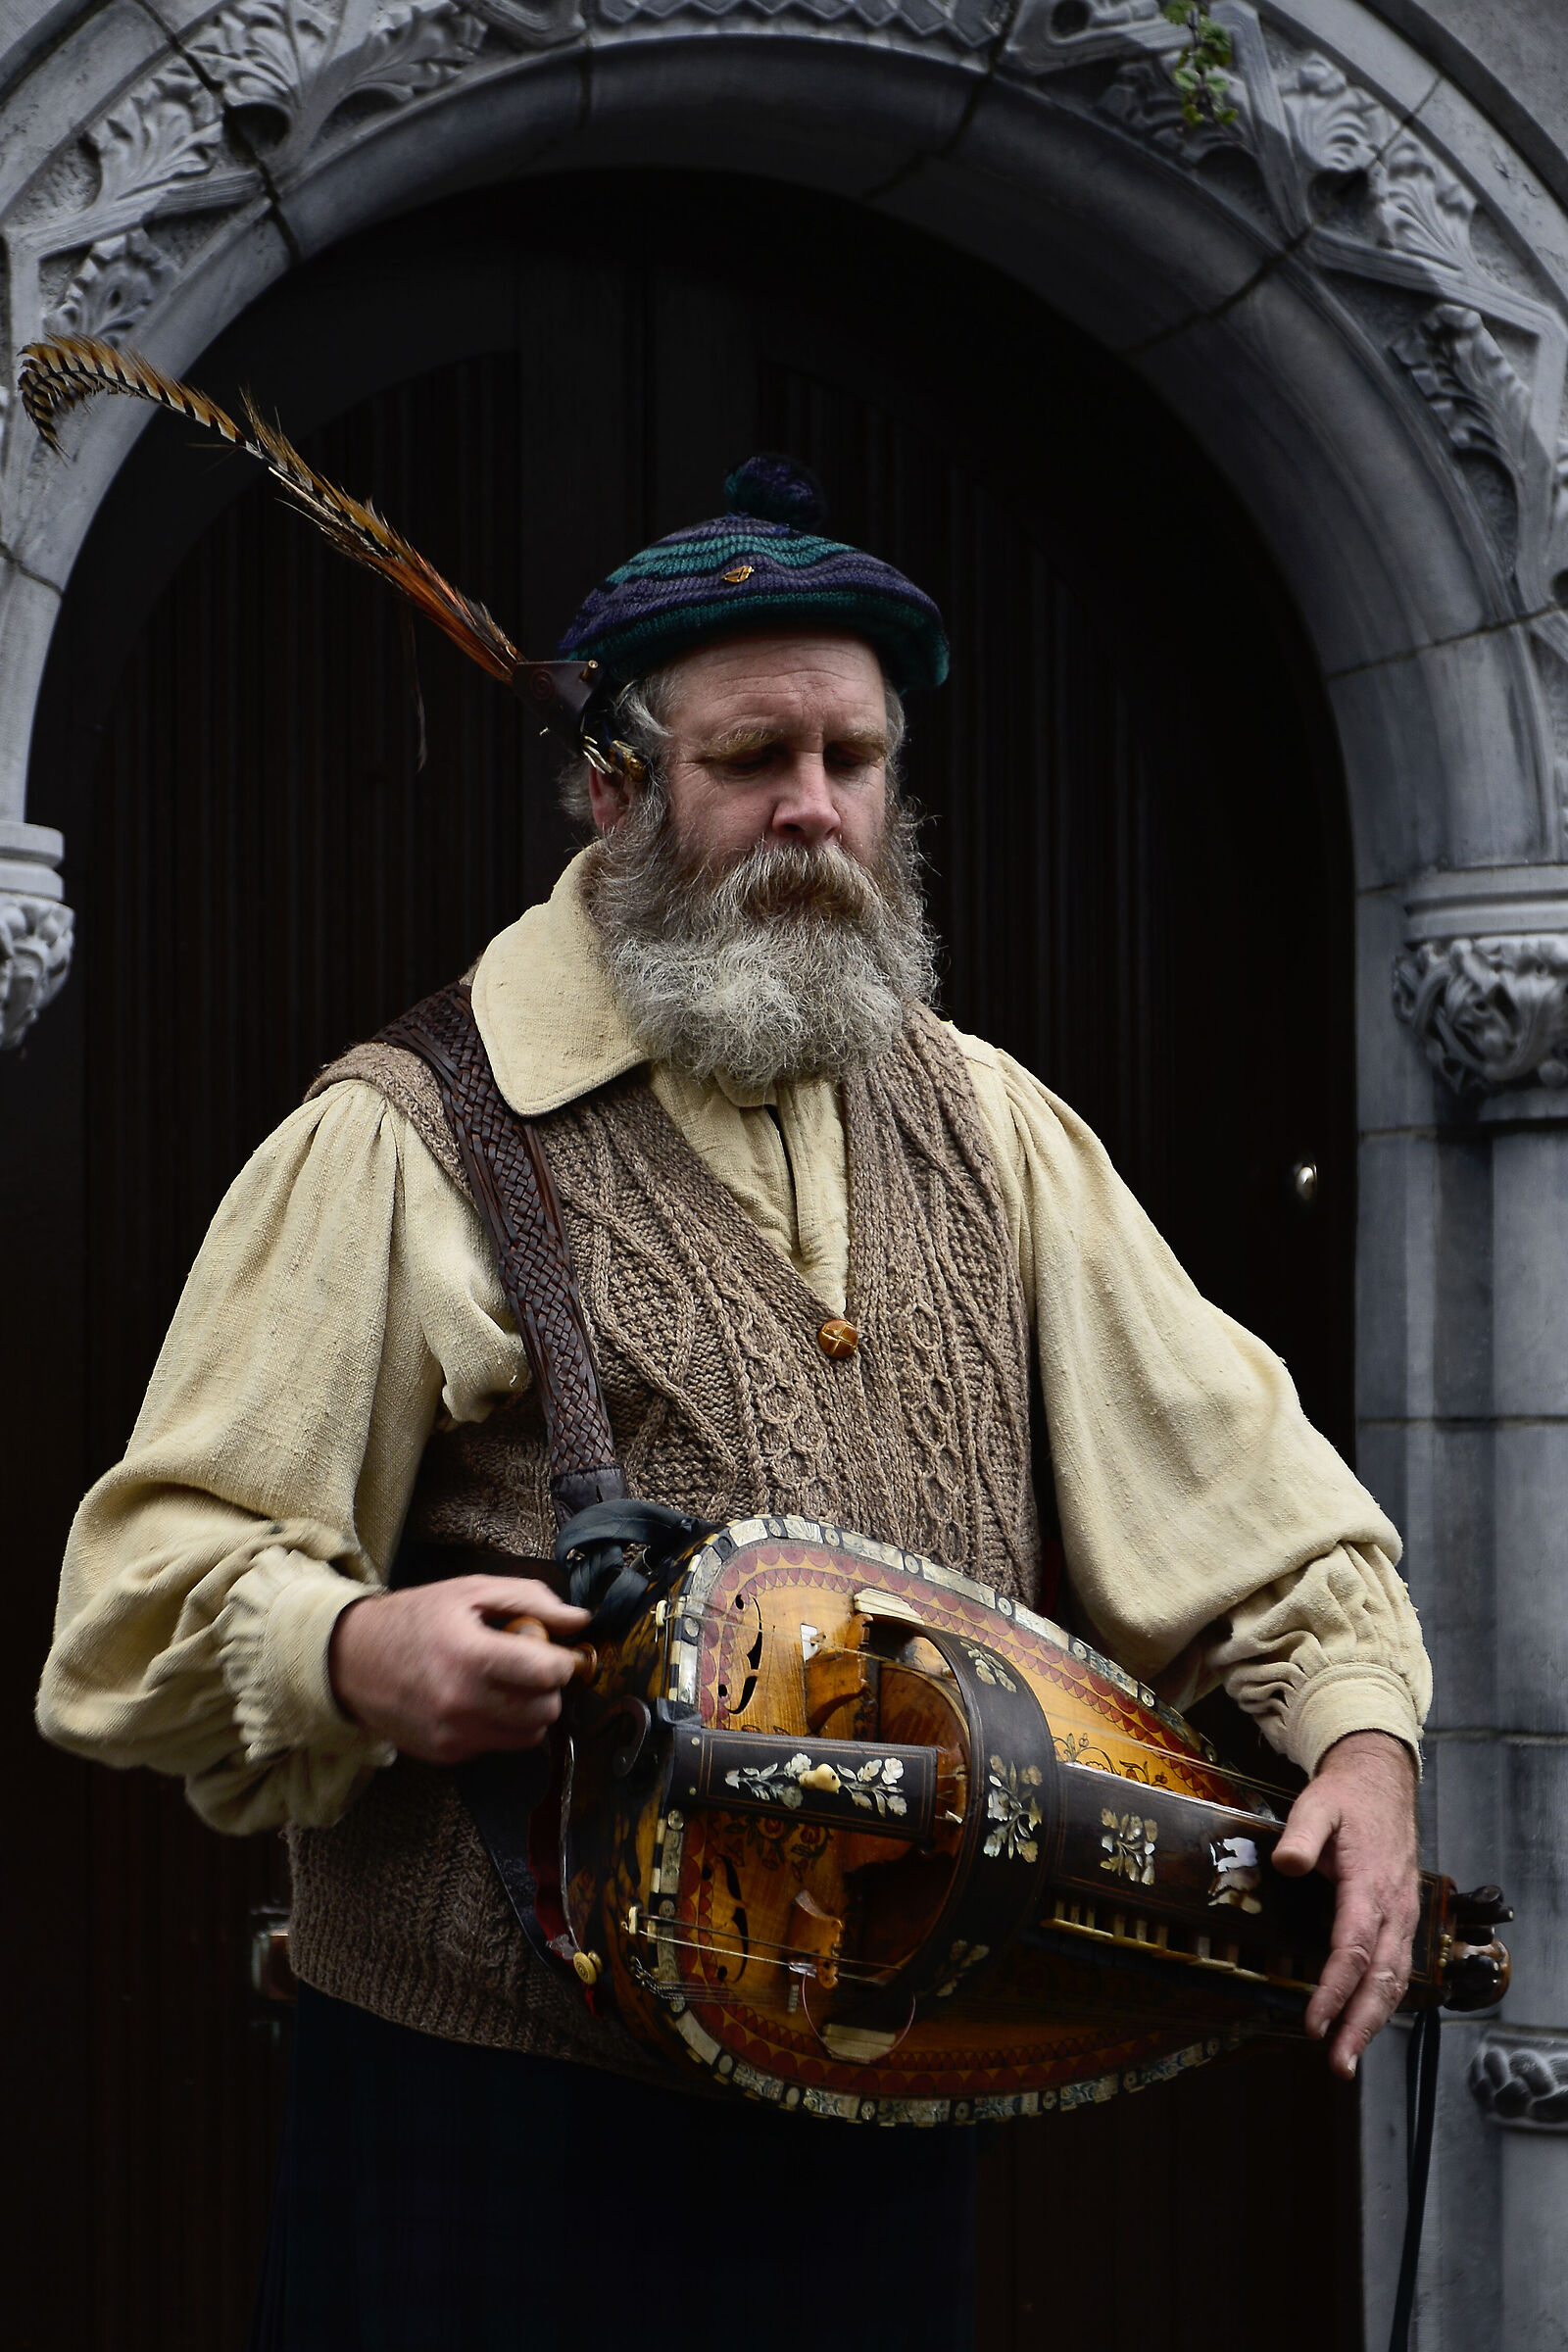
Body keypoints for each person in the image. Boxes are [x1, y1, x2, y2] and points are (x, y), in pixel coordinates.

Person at [37, 457, 1430, 2350]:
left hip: (877, 2124)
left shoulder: (992, 1126)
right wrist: (356, 1649)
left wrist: (1358, 1736)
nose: (813, 810)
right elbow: (140, 1594)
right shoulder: (404, 1137)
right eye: (750, 758)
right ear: (614, 790)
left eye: (853, 759)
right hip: (489, 2146)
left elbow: (1249, 1500)